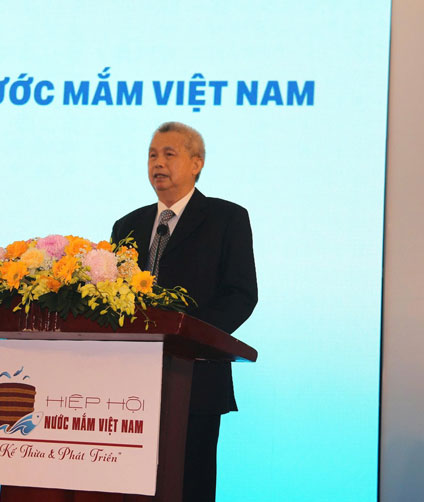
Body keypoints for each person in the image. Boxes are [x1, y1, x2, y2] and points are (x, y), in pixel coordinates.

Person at [111, 122, 258, 501]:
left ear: (196, 163)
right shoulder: (127, 225)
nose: (157, 163)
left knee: (189, 487)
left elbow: (241, 294)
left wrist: (188, 336)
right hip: (129, 387)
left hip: (195, 378)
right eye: (152, 155)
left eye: (169, 154)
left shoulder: (226, 218)